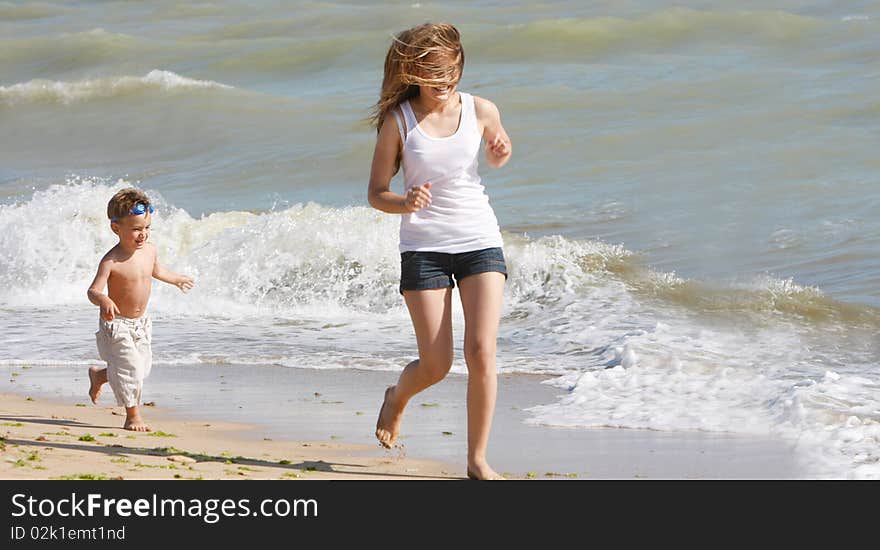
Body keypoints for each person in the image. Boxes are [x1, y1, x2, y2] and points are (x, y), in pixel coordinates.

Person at [367, 22, 512, 480]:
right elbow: (376, 192)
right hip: (424, 247)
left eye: (451, 72)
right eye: (433, 74)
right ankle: (397, 397)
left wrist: (500, 149)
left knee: (482, 351)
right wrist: (404, 202)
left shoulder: (482, 109)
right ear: (413, 71)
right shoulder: (399, 121)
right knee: (436, 364)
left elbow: (495, 154)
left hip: (479, 239)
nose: (444, 82)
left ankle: (477, 460)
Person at [86, 187, 194, 431]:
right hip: (117, 324)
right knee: (131, 370)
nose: (143, 234)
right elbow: (93, 291)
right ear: (116, 228)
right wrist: (103, 300)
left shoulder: (150, 250)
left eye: (146, 228)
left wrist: (175, 279)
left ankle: (100, 376)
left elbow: (157, 271)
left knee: (141, 369)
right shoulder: (111, 260)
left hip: (141, 323)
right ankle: (132, 417)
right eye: (136, 229)